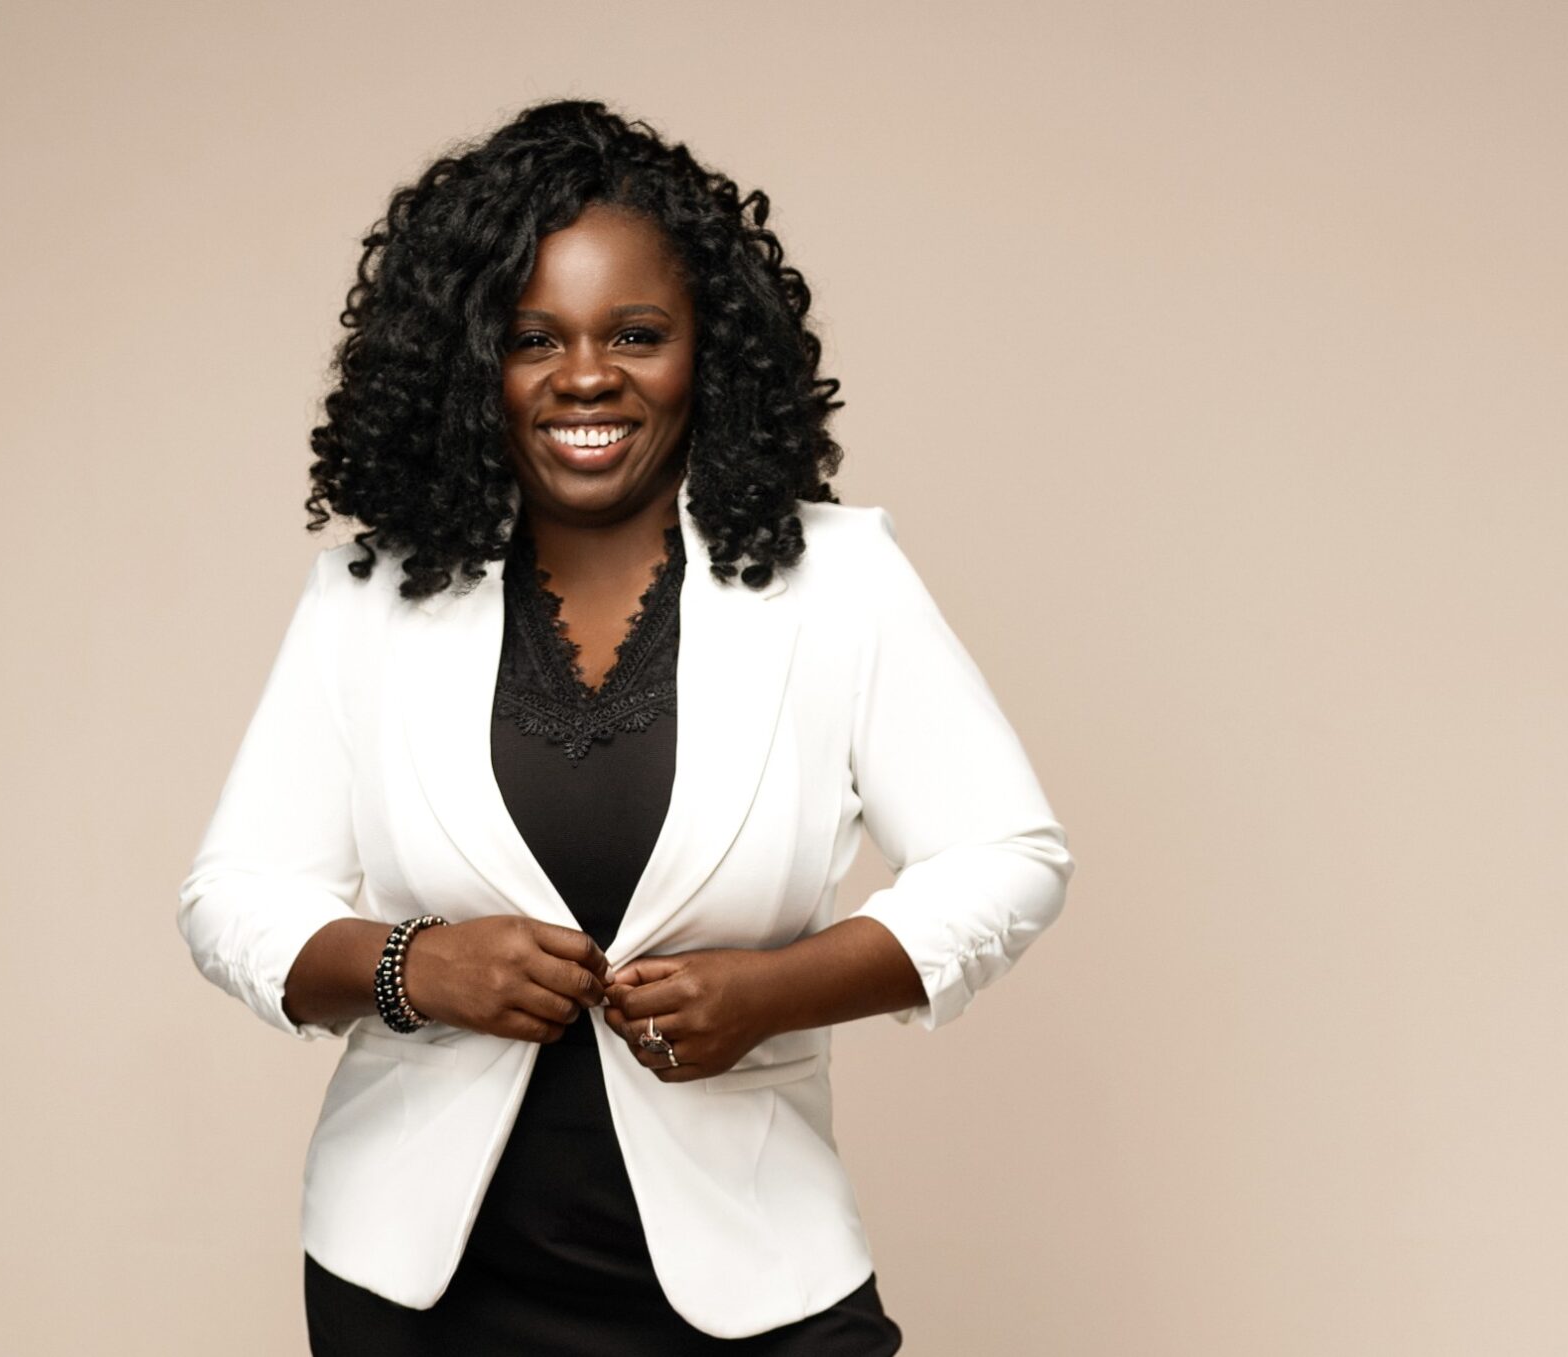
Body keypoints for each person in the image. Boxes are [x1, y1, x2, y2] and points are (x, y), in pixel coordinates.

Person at [177, 99, 1075, 1355]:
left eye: (636, 334)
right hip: (421, 1293)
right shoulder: (366, 598)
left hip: (754, 1266)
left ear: (709, 350)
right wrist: (411, 967)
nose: (586, 374)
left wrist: (773, 992)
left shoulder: (840, 580)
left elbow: (1007, 856)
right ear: (467, 363)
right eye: (530, 337)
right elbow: (233, 896)